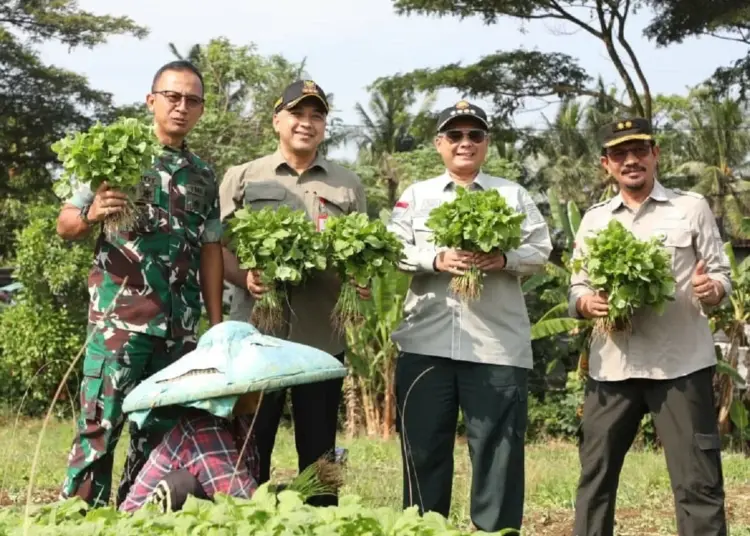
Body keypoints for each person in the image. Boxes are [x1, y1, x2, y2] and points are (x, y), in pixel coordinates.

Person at [56, 60, 224, 508]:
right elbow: (66, 223)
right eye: (172, 97)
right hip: (120, 325)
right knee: (99, 428)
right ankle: (77, 519)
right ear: (151, 101)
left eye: (192, 100)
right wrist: (93, 213)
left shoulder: (205, 176)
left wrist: (215, 325)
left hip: (179, 333)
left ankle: (139, 516)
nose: (181, 107)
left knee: (162, 435)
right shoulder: (117, 156)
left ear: (201, 110)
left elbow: (211, 249)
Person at [386, 100, 552, 533]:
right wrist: (435, 258)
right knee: (423, 452)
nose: (465, 143)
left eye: (474, 135)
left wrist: (503, 257)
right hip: (426, 344)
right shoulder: (415, 196)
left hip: (497, 348)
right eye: (455, 135)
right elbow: (392, 247)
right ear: (439, 143)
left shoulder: (512, 194)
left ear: (486, 144)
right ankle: (424, 531)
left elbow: (541, 250)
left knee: (498, 456)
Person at [569, 117, 731, 536]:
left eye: (639, 150)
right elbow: (577, 285)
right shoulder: (594, 220)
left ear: (655, 155)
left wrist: (711, 288)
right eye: (619, 153)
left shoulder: (690, 207)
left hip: (681, 367)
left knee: (698, 483)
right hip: (612, 370)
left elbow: (720, 275)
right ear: (606, 164)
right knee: (595, 480)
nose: (631, 160)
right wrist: (587, 303)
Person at [218, 79, 368, 507]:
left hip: (322, 338)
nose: (307, 123)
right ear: (277, 120)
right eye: (298, 114)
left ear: (324, 125)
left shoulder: (348, 184)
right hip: (257, 339)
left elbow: (363, 250)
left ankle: (324, 523)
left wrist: (360, 279)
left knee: (319, 449)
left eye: (316, 115)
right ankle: (247, 520)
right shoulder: (243, 177)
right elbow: (216, 248)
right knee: (250, 442)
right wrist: (245, 276)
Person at [117, 320, 348, 513]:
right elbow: (238, 498)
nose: (260, 390)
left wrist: (291, 495)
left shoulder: (241, 422)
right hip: (139, 522)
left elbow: (246, 484)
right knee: (181, 486)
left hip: (206, 507)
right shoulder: (202, 427)